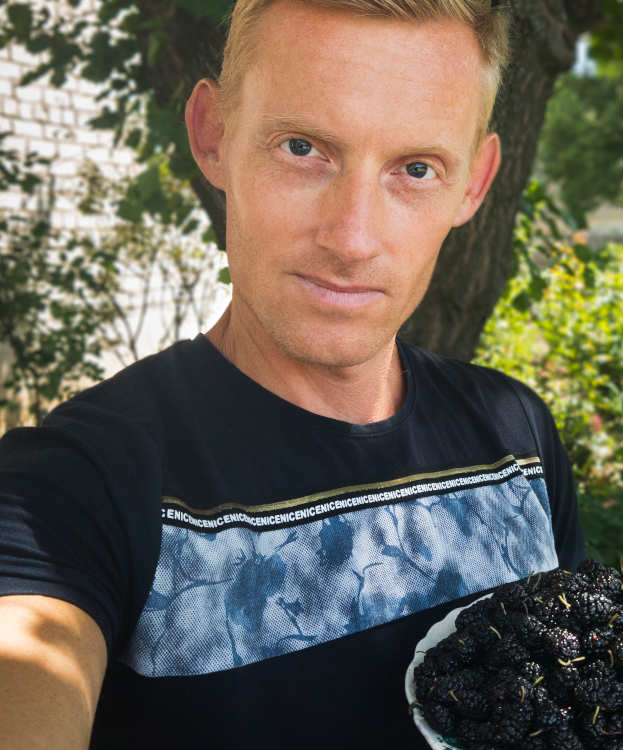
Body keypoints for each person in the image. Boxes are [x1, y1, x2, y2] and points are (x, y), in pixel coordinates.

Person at [0, 0, 585, 746]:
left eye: (415, 168)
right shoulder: (76, 485)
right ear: (212, 135)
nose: (352, 238)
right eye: (303, 148)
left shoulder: (519, 437)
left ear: (473, 184)